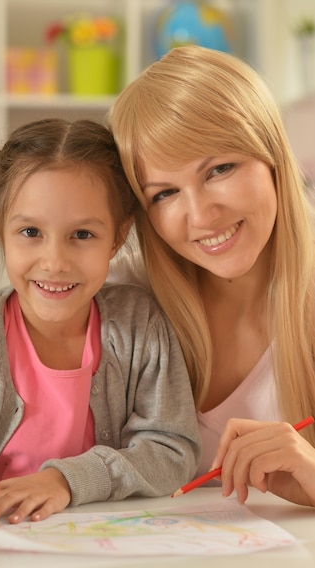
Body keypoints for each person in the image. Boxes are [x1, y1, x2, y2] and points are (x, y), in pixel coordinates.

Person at [0, 118, 199, 530]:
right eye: (30, 231)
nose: (55, 262)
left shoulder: (138, 323)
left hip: (98, 549)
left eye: (82, 234)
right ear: (0, 228)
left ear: (117, 235)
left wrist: (65, 480)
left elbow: (172, 450)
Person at [107, 45, 315, 508]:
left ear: (273, 155)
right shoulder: (118, 299)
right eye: (164, 194)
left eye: (219, 169)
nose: (201, 215)